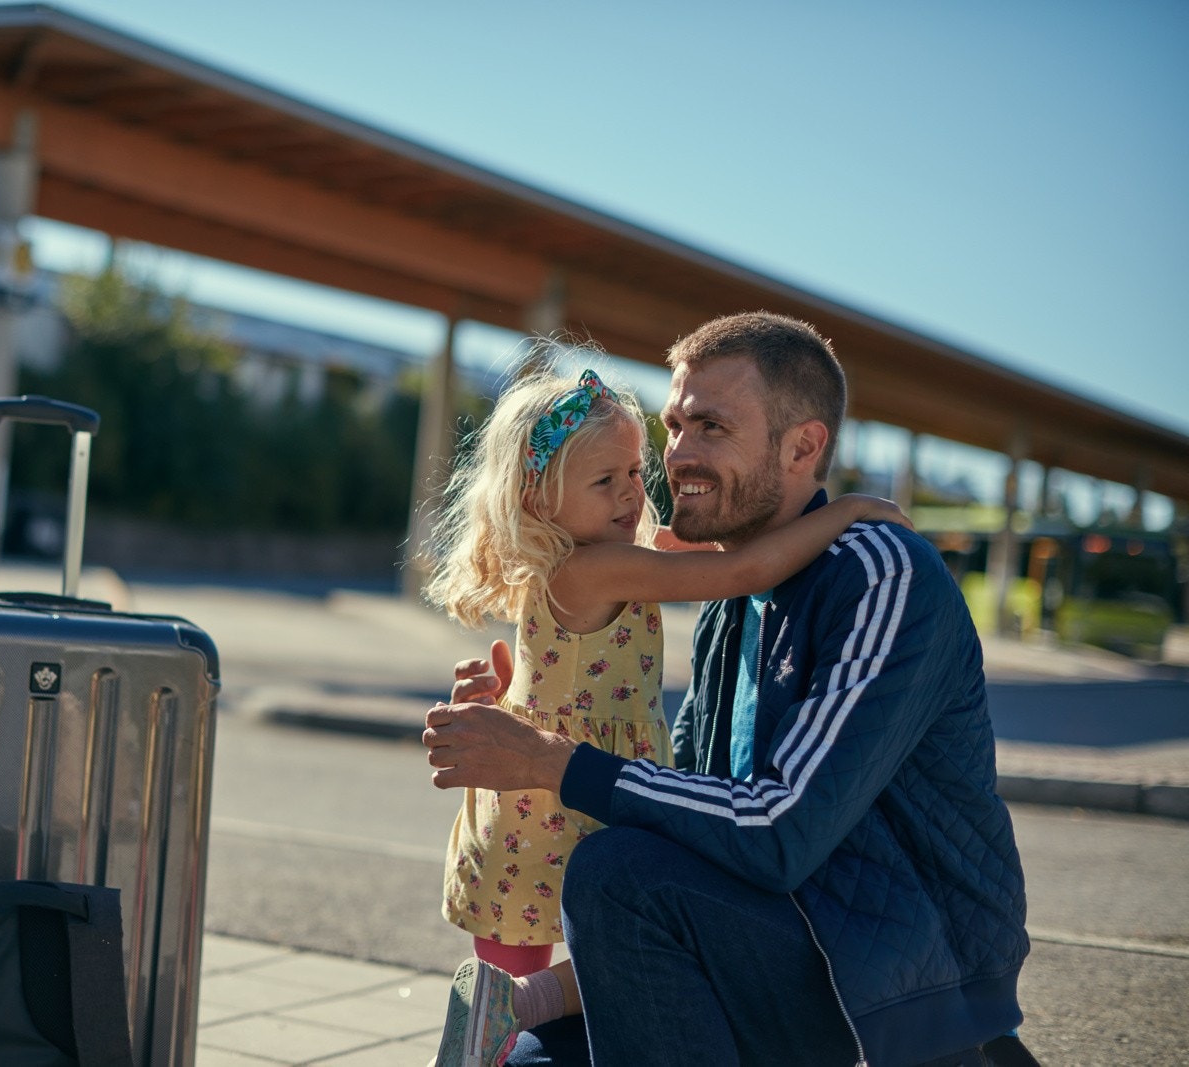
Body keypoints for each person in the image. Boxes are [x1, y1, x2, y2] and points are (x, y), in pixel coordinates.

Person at [424, 312, 1035, 1067]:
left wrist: (555, 760)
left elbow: (776, 828)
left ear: (804, 446)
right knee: (519, 1063)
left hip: (884, 993)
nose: (676, 454)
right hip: (759, 942)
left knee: (619, 877)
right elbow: (692, 805)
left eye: (710, 426)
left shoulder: (877, 568)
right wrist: (523, 696)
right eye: (674, 425)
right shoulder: (724, 597)